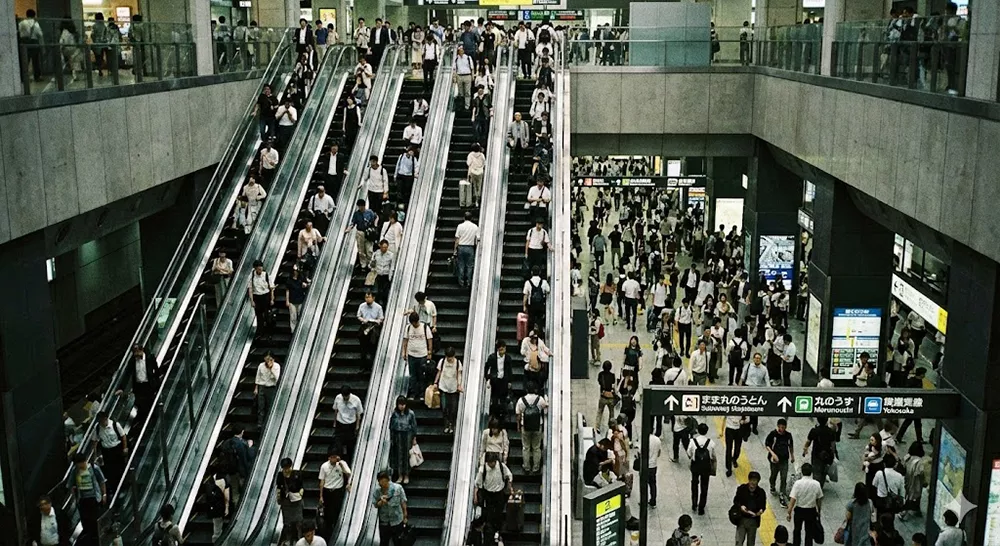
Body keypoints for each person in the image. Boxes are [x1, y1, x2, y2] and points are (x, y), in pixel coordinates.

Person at [68, 452, 106, 543]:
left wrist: (104, 494)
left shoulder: (94, 468)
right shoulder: (75, 470)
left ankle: (97, 539)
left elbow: (102, 481)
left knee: (94, 520)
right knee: (85, 520)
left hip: (93, 498)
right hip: (82, 499)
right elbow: (70, 484)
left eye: (81, 463)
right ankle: (89, 540)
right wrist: (74, 496)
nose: (80, 465)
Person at [474, 452, 513, 530]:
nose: (492, 464)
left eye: (493, 462)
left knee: (499, 512)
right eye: (489, 463)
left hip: (499, 493)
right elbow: (477, 484)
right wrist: (475, 496)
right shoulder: (483, 470)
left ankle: (498, 530)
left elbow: (509, 476)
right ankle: (490, 530)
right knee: (489, 513)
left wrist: (510, 487)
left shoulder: (501, 466)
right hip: (488, 494)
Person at [787, 463, 823, 546]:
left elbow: (792, 499)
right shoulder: (816, 484)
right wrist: (819, 511)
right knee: (809, 532)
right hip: (811, 511)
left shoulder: (797, 483)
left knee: (797, 530)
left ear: (802, 472)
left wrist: (789, 512)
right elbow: (819, 499)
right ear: (811, 472)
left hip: (799, 510)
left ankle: (796, 544)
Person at [516, 382, 548, 474]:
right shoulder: (540, 399)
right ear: (535, 390)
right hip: (538, 426)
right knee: (536, 447)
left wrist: (518, 426)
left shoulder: (521, 400)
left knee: (526, 447)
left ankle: (526, 467)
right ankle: (536, 467)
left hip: (525, 426)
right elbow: (545, 406)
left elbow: (518, 414)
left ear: (526, 390)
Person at [92, 411, 128, 491]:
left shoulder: (115, 425)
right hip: (106, 451)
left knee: (119, 467)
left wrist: (125, 448)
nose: (102, 423)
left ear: (106, 418)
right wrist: (95, 454)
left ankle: (123, 484)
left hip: (116, 449)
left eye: (103, 420)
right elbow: (95, 441)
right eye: (100, 421)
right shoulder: (97, 427)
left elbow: (123, 436)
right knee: (109, 469)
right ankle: (114, 486)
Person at [218, 427, 253, 511]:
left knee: (235, 491)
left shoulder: (226, 443)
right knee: (244, 489)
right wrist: (249, 447)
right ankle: (245, 508)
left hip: (230, 471)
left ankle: (236, 509)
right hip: (241, 472)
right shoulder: (241, 444)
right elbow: (245, 459)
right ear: (242, 432)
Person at [402, 311, 433, 399]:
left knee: (421, 375)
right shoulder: (408, 327)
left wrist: (429, 352)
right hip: (411, 355)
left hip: (422, 354)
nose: (414, 325)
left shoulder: (424, 327)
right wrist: (404, 352)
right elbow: (405, 340)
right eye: (412, 323)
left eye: (415, 323)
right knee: (413, 375)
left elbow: (430, 339)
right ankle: (413, 393)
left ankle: (421, 394)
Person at [686, 422, 716, 515]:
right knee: (704, 487)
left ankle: (694, 504)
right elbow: (713, 456)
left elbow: (688, 453)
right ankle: (701, 507)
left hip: (695, 466)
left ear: (698, 431)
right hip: (706, 467)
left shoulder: (692, 441)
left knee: (694, 484)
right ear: (706, 431)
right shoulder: (711, 443)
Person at [388, 396, 417, 484]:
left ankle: (407, 475)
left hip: (408, 435)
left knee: (406, 456)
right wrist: (392, 438)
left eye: (403, 404)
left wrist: (414, 438)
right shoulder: (394, 414)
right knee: (399, 456)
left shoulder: (410, 413)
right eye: (400, 404)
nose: (402, 406)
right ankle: (400, 475)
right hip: (398, 436)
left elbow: (414, 426)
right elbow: (391, 427)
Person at [765, 419, 795, 504]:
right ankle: (772, 485)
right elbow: (767, 445)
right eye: (780, 427)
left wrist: (792, 456)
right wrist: (773, 454)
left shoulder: (788, 435)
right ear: (778, 426)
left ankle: (782, 492)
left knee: (784, 476)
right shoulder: (773, 434)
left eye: (783, 427)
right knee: (773, 474)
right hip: (774, 460)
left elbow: (790, 446)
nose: (782, 429)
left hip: (784, 459)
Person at [435, 347, 464, 434]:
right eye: (448, 357)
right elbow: (439, 372)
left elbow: (459, 375)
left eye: (450, 358)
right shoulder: (442, 361)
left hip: (454, 389)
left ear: (454, 356)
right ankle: (446, 424)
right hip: (443, 387)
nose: (449, 359)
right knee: (444, 408)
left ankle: (451, 424)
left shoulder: (458, 363)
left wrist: (459, 385)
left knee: (453, 409)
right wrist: (435, 382)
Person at [734, 471, 767, 546]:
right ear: (749, 480)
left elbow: (763, 506)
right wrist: (741, 506)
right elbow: (736, 501)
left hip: (753, 520)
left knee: (751, 543)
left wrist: (761, 511)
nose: (753, 482)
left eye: (755, 480)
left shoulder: (761, 492)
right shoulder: (742, 489)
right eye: (752, 480)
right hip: (742, 518)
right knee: (739, 541)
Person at [802, 417, 837, 487]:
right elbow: (833, 445)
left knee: (816, 471)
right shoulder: (830, 431)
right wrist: (832, 455)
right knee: (824, 471)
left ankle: (816, 488)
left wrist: (805, 449)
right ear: (827, 421)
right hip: (827, 455)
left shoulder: (814, 431)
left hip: (816, 454)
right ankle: (821, 486)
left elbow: (808, 441)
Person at [277, 458, 305, 545]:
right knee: (287, 522)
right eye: (284, 468)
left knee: (298, 521)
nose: (285, 470)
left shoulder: (297, 474)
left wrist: (301, 493)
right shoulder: (280, 475)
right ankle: (289, 540)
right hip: (286, 501)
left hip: (296, 500)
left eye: (287, 468)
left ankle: (300, 539)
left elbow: (301, 486)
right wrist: (278, 497)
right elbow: (278, 487)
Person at [333, 385, 364, 460]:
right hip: (340, 424)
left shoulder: (356, 400)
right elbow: (336, 410)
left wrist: (357, 426)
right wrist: (334, 422)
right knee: (338, 446)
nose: (345, 399)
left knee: (350, 446)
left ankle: (348, 462)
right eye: (343, 397)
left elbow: (358, 414)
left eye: (346, 397)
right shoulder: (338, 398)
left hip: (350, 425)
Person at [741, 353, 770, 433]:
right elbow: (742, 378)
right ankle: (745, 427)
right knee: (746, 409)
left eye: (759, 358)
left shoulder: (764, 369)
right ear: (753, 359)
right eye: (756, 358)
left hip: (757, 390)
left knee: (755, 410)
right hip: (748, 388)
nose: (757, 359)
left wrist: (769, 390)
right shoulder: (748, 366)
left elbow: (767, 380)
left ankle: (754, 427)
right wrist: (739, 389)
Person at [347, 199, 378, 270]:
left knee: (369, 249)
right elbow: (353, 223)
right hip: (360, 232)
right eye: (359, 206)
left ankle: (370, 264)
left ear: (364, 206)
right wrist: (348, 229)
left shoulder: (369, 212)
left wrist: (375, 226)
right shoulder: (356, 214)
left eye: (361, 206)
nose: (360, 208)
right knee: (361, 250)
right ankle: (363, 264)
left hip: (369, 232)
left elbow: (376, 217)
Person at [485, 340, 512, 418]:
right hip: (495, 381)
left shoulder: (507, 358)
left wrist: (510, 381)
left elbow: (509, 370)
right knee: (495, 399)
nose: (503, 351)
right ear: (498, 350)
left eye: (504, 349)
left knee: (503, 398)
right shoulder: (492, 357)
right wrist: (487, 378)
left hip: (504, 380)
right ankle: (494, 414)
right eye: (501, 350)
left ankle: (504, 414)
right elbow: (486, 367)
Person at [872, 453, 905, 518]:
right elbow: (902, 492)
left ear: (884, 463)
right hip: (893, 501)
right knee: (890, 517)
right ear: (894, 464)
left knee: (880, 517)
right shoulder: (899, 476)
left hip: (881, 500)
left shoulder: (879, 473)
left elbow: (874, 484)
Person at [254, 353, 281, 432]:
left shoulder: (276, 366)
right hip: (262, 387)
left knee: (269, 405)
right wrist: (256, 388)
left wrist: (271, 368)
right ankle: (260, 423)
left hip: (271, 387)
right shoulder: (261, 365)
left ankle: (269, 423)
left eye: (269, 360)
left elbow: (277, 378)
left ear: (273, 360)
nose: (267, 362)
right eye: (266, 360)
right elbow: (258, 376)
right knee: (261, 406)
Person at [248, 259, 275, 337]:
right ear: (255, 269)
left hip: (265, 296)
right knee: (259, 316)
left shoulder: (266, 275)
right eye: (259, 269)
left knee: (267, 315)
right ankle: (260, 332)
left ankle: (269, 332)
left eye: (261, 269)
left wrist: (272, 299)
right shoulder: (252, 276)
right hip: (257, 297)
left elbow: (271, 287)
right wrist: (252, 301)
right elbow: (250, 289)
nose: (260, 271)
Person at [454, 211, 480, 288]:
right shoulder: (475, 226)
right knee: (469, 265)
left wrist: (455, 250)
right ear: (471, 218)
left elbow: (457, 239)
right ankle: (469, 282)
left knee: (461, 265)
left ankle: (461, 282)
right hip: (470, 247)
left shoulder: (460, 226)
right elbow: (478, 238)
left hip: (461, 247)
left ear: (464, 218)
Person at [522, 265, 550, 333]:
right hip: (540, 305)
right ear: (539, 272)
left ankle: (531, 334)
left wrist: (524, 306)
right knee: (539, 320)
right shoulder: (544, 282)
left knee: (531, 321)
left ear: (531, 272)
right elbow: (548, 290)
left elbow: (525, 295)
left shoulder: (528, 282)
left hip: (531, 306)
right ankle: (539, 334)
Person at [369, 239, 395, 307]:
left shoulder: (391, 255)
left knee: (385, 291)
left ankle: (384, 303)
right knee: (378, 290)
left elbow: (392, 266)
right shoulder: (376, 254)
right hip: (378, 274)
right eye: (383, 247)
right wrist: (372, 264)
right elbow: (371, 265)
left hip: (386, 275)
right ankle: (378, 302)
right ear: (380, 246)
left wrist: (390, 276)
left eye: (386, 247)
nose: (384, 249)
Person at [454, 45, 474, 111]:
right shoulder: (456, 58)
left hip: (467, 75)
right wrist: (454, 76)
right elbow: (455, 68)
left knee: (467, 92)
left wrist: (472, 76)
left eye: (462, 50)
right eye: (460, 50)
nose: (461, 51)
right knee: (460, 92)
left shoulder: (468, 57)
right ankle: (461, 105)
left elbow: (472, 67)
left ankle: (467, 106)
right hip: (459, 76)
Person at [646, 431, 662, 508]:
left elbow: (640, 452)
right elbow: (659, 453)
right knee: (653, 484)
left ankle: (644, 500)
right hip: (653, 465)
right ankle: (653, 501)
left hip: (646, 465)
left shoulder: (645, 440)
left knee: (644, 484)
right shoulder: (658, 440)